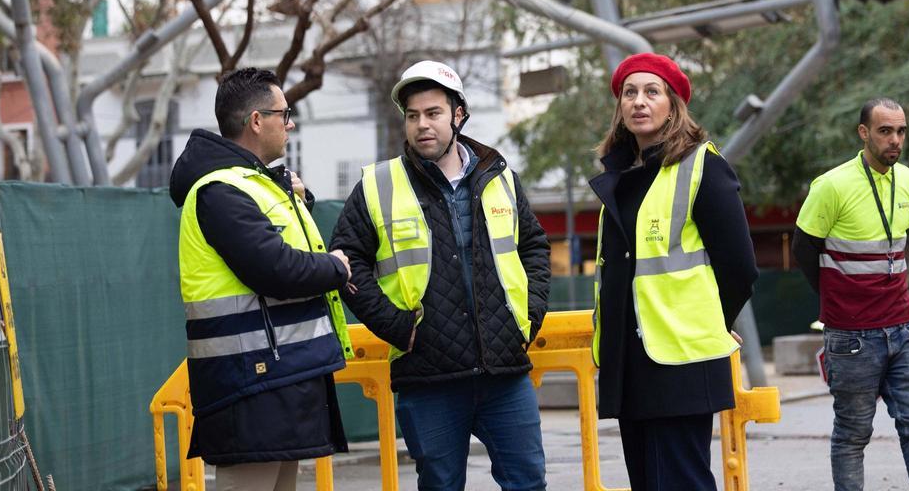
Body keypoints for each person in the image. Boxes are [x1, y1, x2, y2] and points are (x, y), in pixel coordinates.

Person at [330, 60, 551, 491]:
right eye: (413, 116)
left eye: (433, 113)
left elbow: (535, 247)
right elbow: (346, 259)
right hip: (428, 374)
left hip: (504, 371)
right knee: (440, 485)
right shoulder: (379, 185)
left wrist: (529, 313)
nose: (421, 125)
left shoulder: (500, 177)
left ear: (458, 115)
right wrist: (394, 326)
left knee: (528, 483)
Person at [170, 67, 354, 491]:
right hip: (248, 383)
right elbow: (277, 269)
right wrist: (337, 268)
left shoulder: (257, 184)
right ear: (256, 121)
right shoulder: (220, 191)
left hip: (277, 375)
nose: (289, 124)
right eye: (283, 114)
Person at [589, 53, 758, 491]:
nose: (638, 102)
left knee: (681, 482)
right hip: (630, 359)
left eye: (652, 92)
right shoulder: (621, 178)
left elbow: (739, 265)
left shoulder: (702, 165)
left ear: (673, 105)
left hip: (680, 360)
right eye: (630, 93)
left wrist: (715, 321)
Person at [793, 97, 909, 491]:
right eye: (885, 131)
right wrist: (836, 300)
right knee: (852, 434)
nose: (895, 140)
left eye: (901, 131)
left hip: (904, 327)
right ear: (864, 133)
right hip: (851, 335)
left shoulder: (907, 179)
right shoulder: (832, 185)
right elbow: (803, 248)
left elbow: (896, 245)